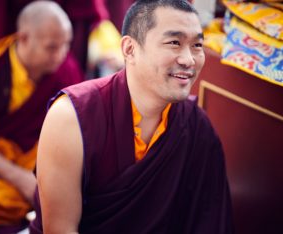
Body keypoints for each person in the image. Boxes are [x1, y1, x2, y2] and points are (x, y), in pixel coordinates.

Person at [31, 0, 234, 233]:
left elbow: (210, 222)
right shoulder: (72, 117)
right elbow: (61, 229)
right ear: (130, 49)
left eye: (197, 45)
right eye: (174, 43)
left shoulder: (196, 126)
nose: (189, 59)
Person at [0, 1, 83, 233]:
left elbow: (78, 132)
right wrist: (19, 177)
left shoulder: (67, 70)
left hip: (41, 167)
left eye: (66, 45)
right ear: (24, 38)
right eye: (52, 47)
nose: (61, 55)